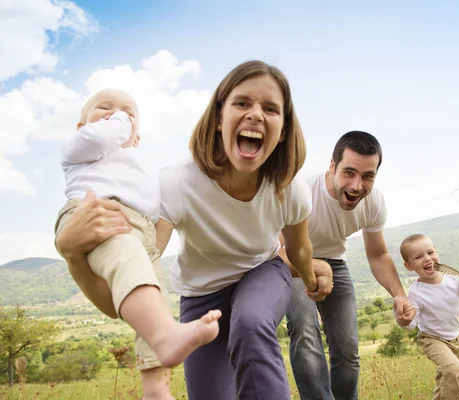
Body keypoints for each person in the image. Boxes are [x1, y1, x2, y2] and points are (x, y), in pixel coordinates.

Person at [55, 60, 326, 400]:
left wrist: (313, 279)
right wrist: (73, 255)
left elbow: (299, 250)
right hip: (201, 296)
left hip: (262, 271)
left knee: (251, 322)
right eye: (242, 103)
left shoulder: (288, 189)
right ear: (218, 119)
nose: (255, 114)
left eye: (270, 108)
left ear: (283, 129)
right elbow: (127, 285)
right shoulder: (178, 183)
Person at [55, 88, 221, 392]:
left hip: (141, 229)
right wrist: (122, 120)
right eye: (104, 108)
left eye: (128, 112)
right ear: (81, 127)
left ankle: (156, 388)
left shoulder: (138, 163)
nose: (116, 113)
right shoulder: (81, 147)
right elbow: (99, 137)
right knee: (132, 265)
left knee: (153, 294)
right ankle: (166, 336)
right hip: (98, 214)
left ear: (137, 139)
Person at [285, 131, 416, 400]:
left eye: (368, 176)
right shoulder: (300, 190)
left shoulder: (374, 202)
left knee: (347, 348)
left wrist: (399, 295)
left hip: (336, 263)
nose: (357, 186)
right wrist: (312, 268)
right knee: (305, 330)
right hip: (293, 261)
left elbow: (378, 255)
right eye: (349, 172)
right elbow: (276, 249)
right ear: (332, 167)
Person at [399, 233, 459, 400]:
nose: (427, 259)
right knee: (456, 372)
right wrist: (405, 320)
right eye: (419, 257)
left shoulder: (453, 278)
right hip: (432, 339)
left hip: (455, 339)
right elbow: (412, 323)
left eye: (430, 252)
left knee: (447, 377)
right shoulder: (417, 292)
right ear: (409, 266)